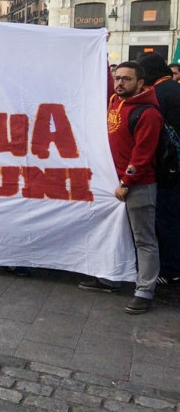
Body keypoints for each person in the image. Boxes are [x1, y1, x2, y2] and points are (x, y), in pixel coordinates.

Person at [79, 61, 163, 314]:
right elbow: (100, 83)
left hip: (137, 185)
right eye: (117, 78)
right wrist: (99, 53)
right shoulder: (116, 101)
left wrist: (127, 182)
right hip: (110, 183)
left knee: (143, 239)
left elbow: (143, 154)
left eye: (126, 79)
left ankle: (144, 291)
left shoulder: (148, 113)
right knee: (110, 232)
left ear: (140, 83)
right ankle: (108, 278)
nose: (119, 83)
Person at [138, 53, 180, 286]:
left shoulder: (158, 95)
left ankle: (171, 268)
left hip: (167, 167)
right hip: (175, 164)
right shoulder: (174, 89)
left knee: (165, 218)